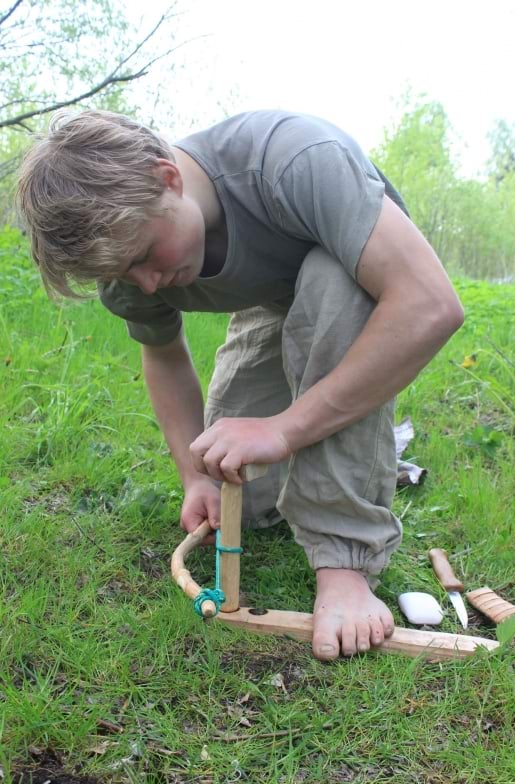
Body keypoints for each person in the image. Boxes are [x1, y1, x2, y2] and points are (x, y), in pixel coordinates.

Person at [16, 109, 464, 661]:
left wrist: (286, 429)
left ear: (167, 179)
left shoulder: (296, 161)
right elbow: (163, 355)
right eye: (123, 274)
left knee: (330, 283)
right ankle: (351, 442)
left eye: (145, 257)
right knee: (237, 493)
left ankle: (345, 563)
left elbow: (430, 305)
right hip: (272, 305)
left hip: (362, 286)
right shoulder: (125, 260)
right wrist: (193, 478)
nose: (147, 284)